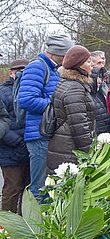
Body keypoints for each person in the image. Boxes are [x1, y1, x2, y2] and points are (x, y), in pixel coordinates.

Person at [18, 34, 73, 201]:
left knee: (50, 186)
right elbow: (26, 99)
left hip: (47, 134)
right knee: (40, 187)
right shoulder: (37, 67)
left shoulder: (52, 69)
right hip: (38, 136)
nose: (66, 59)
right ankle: (33, 225)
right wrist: (55, 105)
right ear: (56, 53)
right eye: (65, 55)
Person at [46, 45, 97, 172]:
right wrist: (90, 155)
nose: (92, 65)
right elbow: (79, 126)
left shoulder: (69, 83)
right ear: (79, 65)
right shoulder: (74, 88)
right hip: (70, 151)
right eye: (88, 61)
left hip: (66, 146)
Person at [0, 58, 30, 213]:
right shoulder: (3, 93)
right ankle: (6, 227)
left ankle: (24, 224)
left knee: (27, 190)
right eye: (19, 72)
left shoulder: (29, 91)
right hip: (10, 149)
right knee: (12, 189)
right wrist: (16, 140)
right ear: (11, 73)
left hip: (28, 146)